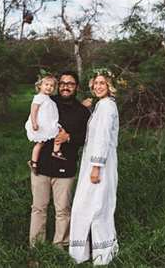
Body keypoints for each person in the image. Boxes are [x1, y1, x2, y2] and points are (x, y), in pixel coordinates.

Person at [29, 70, 90, 248]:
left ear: (76, 87)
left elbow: (86, 138)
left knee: (62, 210)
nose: (65, 86)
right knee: (38, 208)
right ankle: (36, 246)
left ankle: (60, 245)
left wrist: (68, 138)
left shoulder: (82, 111)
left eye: (70, 84)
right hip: (41, 165)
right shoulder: (48, 101)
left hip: (66, 165)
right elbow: (33, 117)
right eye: (62, 83)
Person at [69, 69, 119, 266]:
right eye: (96, 83)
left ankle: (100, 255)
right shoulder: (102, 106)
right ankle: (93, 253)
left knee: (93, 207)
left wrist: (96, 166)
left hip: (100, 164)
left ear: (109, 86)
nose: (98, 86)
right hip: (95, 163)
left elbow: (103, 138)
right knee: (94, 206)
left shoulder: (107, 107)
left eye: (102, 83)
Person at [25, 73, 67, 175]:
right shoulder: (39, 97)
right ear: (40, 85)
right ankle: (34, 162)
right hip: (41, 124)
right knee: (40, 143)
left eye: (52, 86)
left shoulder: (47, 98)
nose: (49, 87)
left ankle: (54, 151)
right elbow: (33, 110)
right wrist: (34, 123)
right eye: (46, 84)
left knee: (57, 133)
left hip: (48, 123)